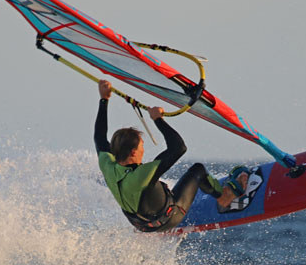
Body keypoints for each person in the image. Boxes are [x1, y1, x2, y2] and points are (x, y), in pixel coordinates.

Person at [94, 79, 248, 232]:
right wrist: (158, 120)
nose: (143, 150)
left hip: (141, 226)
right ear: (133, 152)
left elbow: (99, 137)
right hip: (170, 218)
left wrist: (104, 100)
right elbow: (179, 147)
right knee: (198, 170)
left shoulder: (107, 165)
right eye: (142, 146)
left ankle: (155, 212)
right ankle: (224, 196)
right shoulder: (142, 175)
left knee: (153, 174)